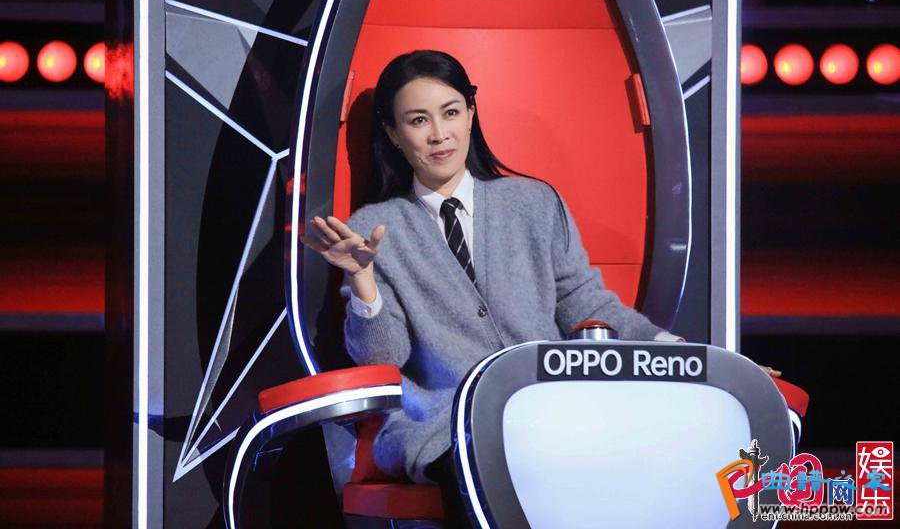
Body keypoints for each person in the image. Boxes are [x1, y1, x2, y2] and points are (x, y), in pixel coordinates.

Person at [299, 50, 772, 526]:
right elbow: (384, 357)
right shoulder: (375, 227)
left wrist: (692, 361)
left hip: (551, 415)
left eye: (451, 112)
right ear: (392, 133)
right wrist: (362, 280)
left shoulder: (534, 202)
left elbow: (587, 305)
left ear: (471, 113)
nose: (439, 134)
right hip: (446, 428)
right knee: (501, 471)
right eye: (418, 120)